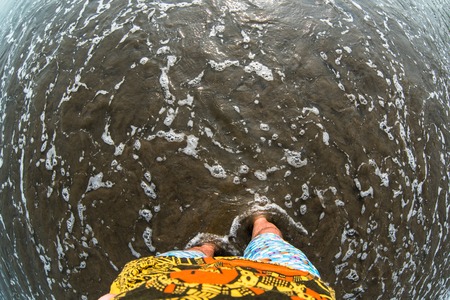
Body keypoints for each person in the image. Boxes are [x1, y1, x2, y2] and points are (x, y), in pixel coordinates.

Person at [99, 214, 335, 299]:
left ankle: (210, 246)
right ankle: (257, 218)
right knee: (267, 236)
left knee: (196, 254)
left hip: (168, 281)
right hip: (286, 283)